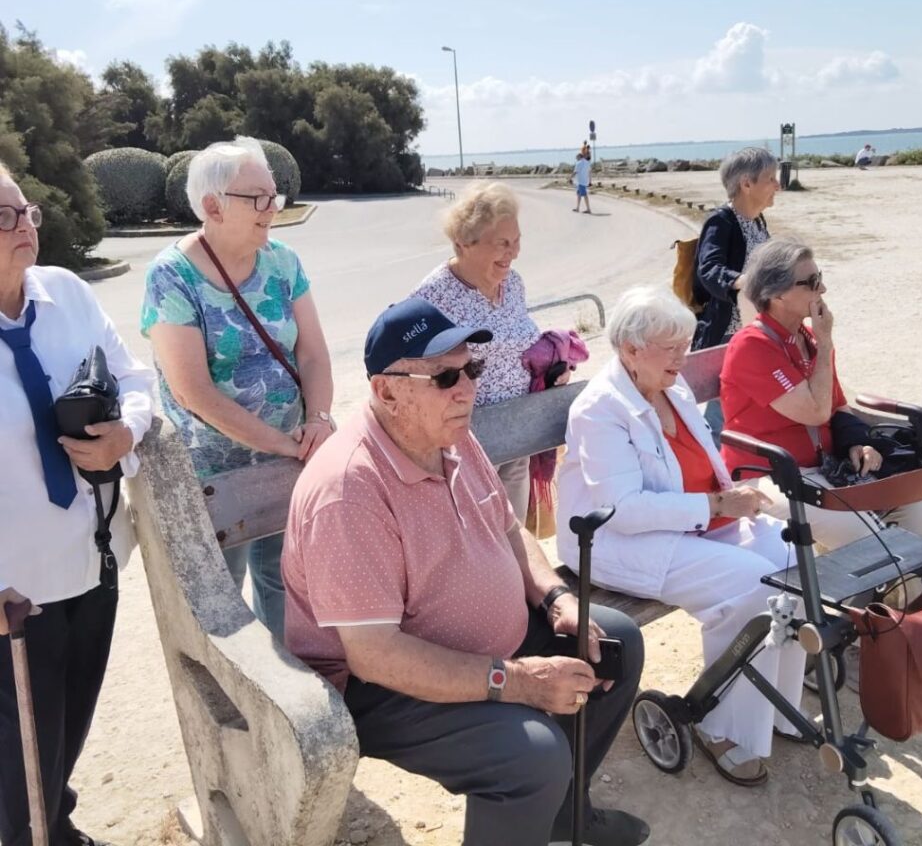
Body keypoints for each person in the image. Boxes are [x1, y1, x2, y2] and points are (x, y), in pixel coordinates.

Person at [282, 298, 648, 846]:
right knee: (531, 757)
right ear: (386, 391)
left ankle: (563, 813)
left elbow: (507, 527)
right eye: (445, 376)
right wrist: (518, 683)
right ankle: (539, 802)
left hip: (487, 642)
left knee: (614, 640)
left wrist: (555, 598)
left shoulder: (448, 435)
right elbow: (375, 655)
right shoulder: (349, 491)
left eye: (471, 368)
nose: (467, 389)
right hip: (382, 686)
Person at [557, 286, 803, 787]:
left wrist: (731, 497)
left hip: (695, 519)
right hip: (615, 540)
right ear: (630, 349)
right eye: (671, 348)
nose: (682, 357)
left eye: (685, 345)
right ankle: (722, 724)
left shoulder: (670, 385)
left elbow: (702, 459)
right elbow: (623, 510)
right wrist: (715, 506)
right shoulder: (600, 409)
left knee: (792, 560)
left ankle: (776, 706)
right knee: (752, 584)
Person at [0, 160, 156, 846]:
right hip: (11, 596)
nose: (25, 225)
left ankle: (57, 829)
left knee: (65, 733)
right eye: (3, 217)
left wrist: (129, 430)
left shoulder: (66, 291)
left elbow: (133, 375)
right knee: (18, 766)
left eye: (26, 210)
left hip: (92, 564)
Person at [142, 136, 333, 639]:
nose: (273, 208)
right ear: (212, 206)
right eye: (259, 198)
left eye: (275, 196)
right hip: (213, 477)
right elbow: (193, 392)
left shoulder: (283, 262)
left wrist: (318, 420)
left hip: (290, 458)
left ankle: (290, 675)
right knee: (222, 601)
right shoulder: (171, 276)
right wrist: (281, 444)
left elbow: (313, 353)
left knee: (284, 580)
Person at [720, 239, 922, 550]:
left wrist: (857, 443)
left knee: (921, 502)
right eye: (812, 282)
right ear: (777, 294)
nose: (822, 289)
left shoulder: (808, 338)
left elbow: (836, 406)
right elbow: (815, 412)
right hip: (770, 475)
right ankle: (894, 578)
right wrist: (825, 345)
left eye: (820, 277)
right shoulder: (752, 346)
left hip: (824, 467)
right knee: (869, 535)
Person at [412, 181, 568, 523]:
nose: (513, 252)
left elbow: (517, 343)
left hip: (518, 433)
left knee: (513, 530)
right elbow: (413, 373)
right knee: (475, 533)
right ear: (464, 243)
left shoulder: (513, 284)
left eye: (517, 241)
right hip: (467, 440)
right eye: (502, 243)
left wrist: (550, 368)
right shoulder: (433, 295)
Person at [691, 147, 779, 446]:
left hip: (756, 331)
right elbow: (709, 269)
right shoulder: (722, 221)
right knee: (720, 415)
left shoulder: (757, 221)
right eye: (770, 178)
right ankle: (712, 470)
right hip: (729, 336)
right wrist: (743, 282)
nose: (778, 185)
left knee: (744, 410)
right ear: (746, 183)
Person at [572, 143, 593, 214]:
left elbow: (575, 172)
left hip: (581, 182)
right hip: (582, 182)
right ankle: (577, 208)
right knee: (579, 194)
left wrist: (569, 178)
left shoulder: (579, 163)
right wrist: (590, 181)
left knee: (585, 195)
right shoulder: (587, 163)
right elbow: (589, 173)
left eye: (576, 158)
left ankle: (588, 209)